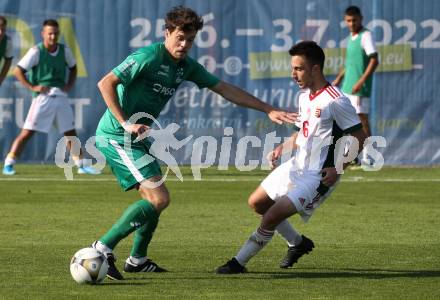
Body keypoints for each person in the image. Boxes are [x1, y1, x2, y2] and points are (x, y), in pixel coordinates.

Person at [91, 5, 297, 280]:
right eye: (179, 38)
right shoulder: (148, 56)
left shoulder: (185, 67)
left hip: (137, 139)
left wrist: (267, 109)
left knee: (153, 199)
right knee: (158, 198)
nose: (185, 44)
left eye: (190, 40)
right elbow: (106, 82)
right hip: (117, 136)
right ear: (167, 33)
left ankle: (137, 259)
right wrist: (126, 122)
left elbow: (224, 89)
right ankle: (102, 247)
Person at [216, 41, 367, 274]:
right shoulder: (305, 96)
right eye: (293, 68)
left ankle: (238, 263)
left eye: (299, 68)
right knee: (257, 203)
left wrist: (339, 167)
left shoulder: (336, 100)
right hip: (296, 165)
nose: (293, 74)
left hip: (318, 176)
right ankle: (298, 243)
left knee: (271, 217)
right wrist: (281, 148)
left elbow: (360, 136)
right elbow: (303, 132)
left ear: (315, 69)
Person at [2, 19, 100, 175]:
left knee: (70, 133)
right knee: (27, 132)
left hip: (60, 96)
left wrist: (69, 85)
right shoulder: (36, 51)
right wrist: (32, 86)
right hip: (43, 98)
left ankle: (81, 165)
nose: (53, 37)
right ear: (43, 34)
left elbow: (73, 68)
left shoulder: (64, 51)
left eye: (55, 33)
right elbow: (18, 70)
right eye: (50, 34)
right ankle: (9, 163)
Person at [332, 5, 379, 166]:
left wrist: (361, 81)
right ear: (345, 22)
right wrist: (339, 78)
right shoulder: (351, 38)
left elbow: (374, 60)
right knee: (347, 121)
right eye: (349, 21)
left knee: (362, 120)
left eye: (354, 20)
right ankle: (354, 156)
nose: (352, 23)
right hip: (347, 87)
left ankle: (369, 157)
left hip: (359, 88)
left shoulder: (366, 36)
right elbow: (350, 64)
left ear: (361, 19)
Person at [0, 16, 13, 87]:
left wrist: (0, 79)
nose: (0, 32)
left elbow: (8, 61)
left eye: (3, 29)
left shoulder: (8, 41)